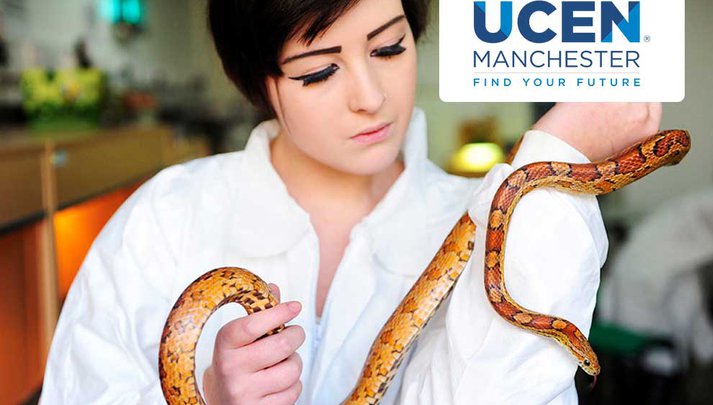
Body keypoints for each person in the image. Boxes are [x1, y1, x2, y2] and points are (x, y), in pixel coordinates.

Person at [39, 0, 662, 403]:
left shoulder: (478, 215)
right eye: (318, 71)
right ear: (261, 83)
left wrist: (554, 161)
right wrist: (205, 398)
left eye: (389, 49)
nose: (370, 96)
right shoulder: (163, 218)